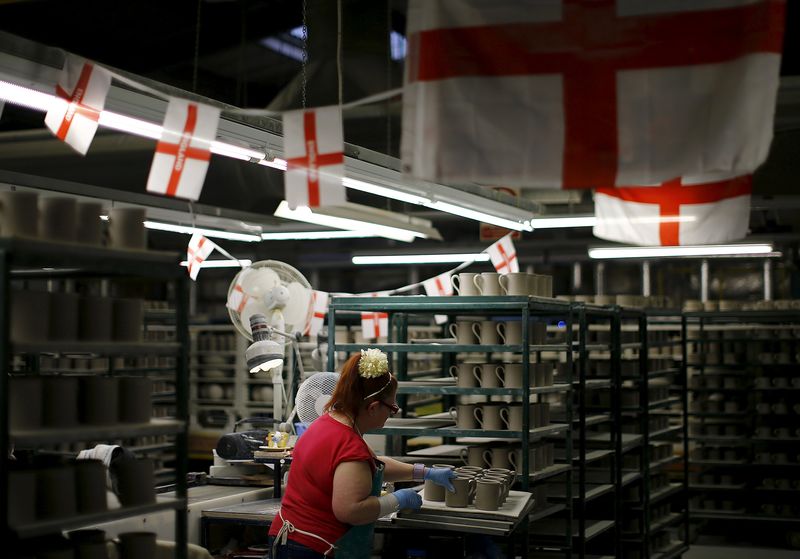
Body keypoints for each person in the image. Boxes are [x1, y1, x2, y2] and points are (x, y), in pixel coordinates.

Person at [268, 348, 456, 558]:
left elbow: (372, 465)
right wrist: (397, 500)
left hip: (293, 538)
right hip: (310, 547)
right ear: (373, 407)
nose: (395, 410)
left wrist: (424, 473)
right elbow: (350, 511)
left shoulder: (329, 422)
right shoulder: (349, 445)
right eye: (392, 406)